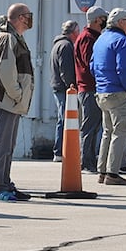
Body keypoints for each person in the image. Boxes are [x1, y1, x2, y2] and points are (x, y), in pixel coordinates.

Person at [0, 3, 35, 202]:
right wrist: (18, 94)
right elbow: (5, 70)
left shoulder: (14, 38)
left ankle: (4, 183)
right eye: (27, 15)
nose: (30, 19)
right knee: (0, 144)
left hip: (10, 102)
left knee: (7, 145)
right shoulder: (7, 38)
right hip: (5, 101)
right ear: (20, 17)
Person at [92, 7, 126, 185]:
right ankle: (112, 173)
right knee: (121, 132)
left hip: (102, 91)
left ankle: (102, 171)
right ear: (121, 22)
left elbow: (92, 66)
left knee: (107, 132)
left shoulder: (101, 39)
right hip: (119, 92)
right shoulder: (121, 41)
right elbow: (124, 67)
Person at [72, 8, 108, 171]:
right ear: (95, 20)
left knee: (94, 127)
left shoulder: (93, 37)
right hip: (89, 88)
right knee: (90, 126)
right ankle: (86, 162)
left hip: (92, 87)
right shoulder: (88, 38)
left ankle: (90, 160)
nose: (105, 21)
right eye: (103, 18)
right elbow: (90, 63)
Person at [49, 20, 79, 160]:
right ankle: (60, 151)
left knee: (62, 119)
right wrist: (72, 85)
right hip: (64, 87)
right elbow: (65, 70)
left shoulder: (57, 44)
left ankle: (59, 150)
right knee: (65, 119)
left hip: (57, 86)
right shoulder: (66, 46)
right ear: (73, 32)